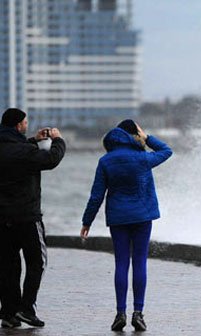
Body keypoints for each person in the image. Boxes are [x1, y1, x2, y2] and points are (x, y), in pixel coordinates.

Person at [80, 120, 172, 332]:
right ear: (133, 135)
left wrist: (87, 221)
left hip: (118, 218)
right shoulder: (143, 158)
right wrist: (147, 137)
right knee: (139, 263)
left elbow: (96, 196)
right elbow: (167, 151)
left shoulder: (106, 161)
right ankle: (138, 314)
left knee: (121, 263)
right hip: (142, 217)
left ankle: (120, 313)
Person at [0, 108, 66, 329]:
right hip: (27, 217)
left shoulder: (14, 147)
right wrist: (58, 141)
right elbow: (50, 159)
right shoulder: (25, 152)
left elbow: (14, 150)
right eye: (25, 123)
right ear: (18, 125)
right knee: (37, 262)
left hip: (2, 219)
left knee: (8, 266)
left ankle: (9, 312)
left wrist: (33, 140)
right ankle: (27, 308)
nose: (27, 125)